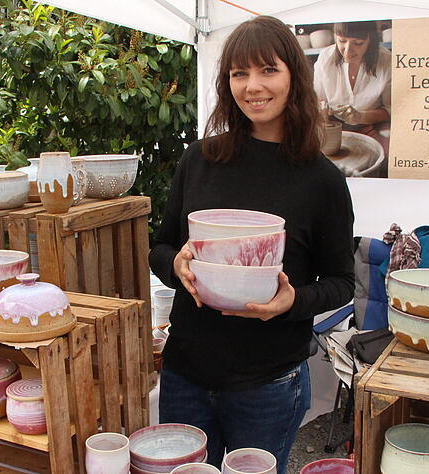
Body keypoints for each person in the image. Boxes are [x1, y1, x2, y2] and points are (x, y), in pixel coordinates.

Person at [148, 16, 355, 473]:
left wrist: (290, 301)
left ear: (293, 78)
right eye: (239, 74)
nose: (253, 86)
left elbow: (341, 282)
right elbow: (160, 248)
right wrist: (177, 266)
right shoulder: (200, 159)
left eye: (267, 70)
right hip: (186, 370)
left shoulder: (321, 180)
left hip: (269, 382)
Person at [313, 21, 391, 127]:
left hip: (371, 124)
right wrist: (320, 108)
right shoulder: (325, 57)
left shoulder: (387, 60)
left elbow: (390, 111)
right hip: (334, 123)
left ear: (371, 40)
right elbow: (318, 99)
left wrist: (361, 117)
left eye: (358, 43)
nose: (348, 51)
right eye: (342, 41)